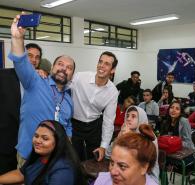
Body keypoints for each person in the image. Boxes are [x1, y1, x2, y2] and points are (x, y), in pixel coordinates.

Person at [8, 14, 75, 166]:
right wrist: (17, 38)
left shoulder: (69, 99)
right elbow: (20, 60)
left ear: (72, 75)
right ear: (52, 67)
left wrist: (68, 139)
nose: (63, 69)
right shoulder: (35, 81)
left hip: (55, 158)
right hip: (29, 156)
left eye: (69, 68)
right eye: (60, 64)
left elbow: (68, 124)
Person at [0, 120, 87, 185]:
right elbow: (21, 174)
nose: (38, 141)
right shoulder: (39, 154)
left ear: (58, 142)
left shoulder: (63, 170)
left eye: (45, 138)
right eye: (36, 136)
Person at [70, 51, 118, 161]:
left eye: (107, 64)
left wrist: (104, 146)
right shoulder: (80, 77)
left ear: (113, 70)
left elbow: (108, 121)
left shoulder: (113, 92)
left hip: (94, 127)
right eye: (100, 61)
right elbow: (61, 84)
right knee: (73, 159)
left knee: (94, 160)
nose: (102, 65)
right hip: (74, 125)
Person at [105, 106, 159, 184]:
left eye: (133, 116)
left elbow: (141, 162)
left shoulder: (149, 136)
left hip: (147, 175)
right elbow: (107, 154)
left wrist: (129, 138)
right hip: (124, 171)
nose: (128, 119)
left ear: (141, 119)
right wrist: (119, 138)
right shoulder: (124, 132)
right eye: (127, 116)